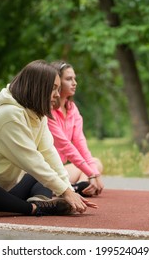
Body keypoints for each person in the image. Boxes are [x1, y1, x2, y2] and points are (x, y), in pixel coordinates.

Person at [0, 60, 98, 216]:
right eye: (53, 89)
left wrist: (69, 190)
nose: (58, 95)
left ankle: (39, 201)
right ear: (38, 88)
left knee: (43, 172)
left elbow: (48, 153)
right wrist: (65, 191)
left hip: (4, 192)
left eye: (58, 89)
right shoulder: (10, 115)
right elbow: (31, 160)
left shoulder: (39, 115)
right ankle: (34, 208)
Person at [47, 61, 104, 197]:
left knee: (96, 163)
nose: (74, 83)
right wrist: (91, 174)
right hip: (47, 170)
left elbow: (80, 144)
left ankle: (78, 187)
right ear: (57, 82)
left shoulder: (72, 109)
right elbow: (66, 147)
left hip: (60, 169)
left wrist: (94, 174)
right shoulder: (48, 110)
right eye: (68, 79)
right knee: (90, 169)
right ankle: (70, 188)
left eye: (74, 78)